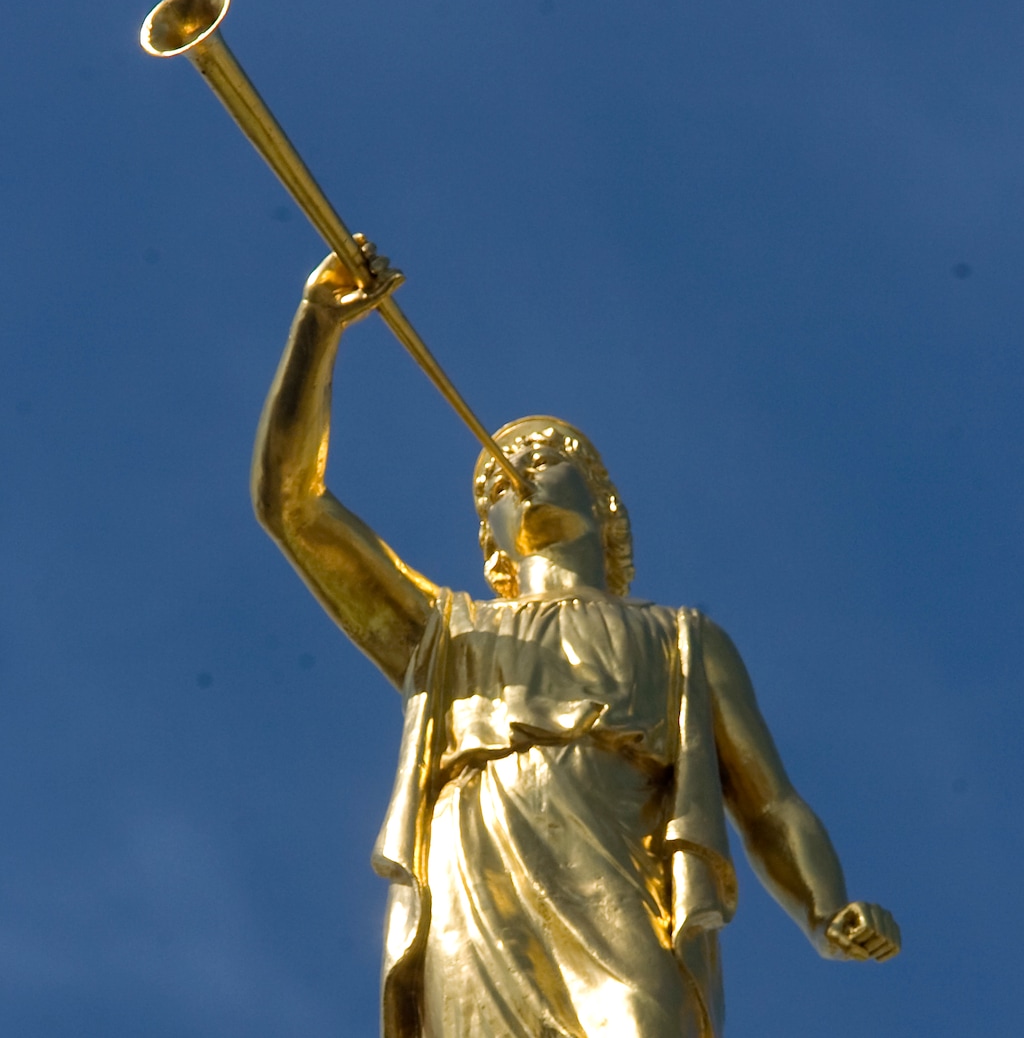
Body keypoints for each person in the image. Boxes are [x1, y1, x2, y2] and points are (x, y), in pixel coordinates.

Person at [251, 244, 901, 1038]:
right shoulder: (448, 632)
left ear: (604, 504)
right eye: (495, 484)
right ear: (491, 543)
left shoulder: (682, 640)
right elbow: (292, 506)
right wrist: (318, 326)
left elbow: (769, 802)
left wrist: (826, 907)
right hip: (481, 889)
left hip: (625, 886)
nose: (516, 472)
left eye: (544, 459)